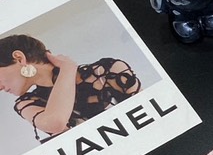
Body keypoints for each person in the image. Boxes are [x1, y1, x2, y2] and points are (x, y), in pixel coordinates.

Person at [0, 34, 141, 142]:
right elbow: (55, 123)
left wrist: (69, 69)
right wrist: (67, 69)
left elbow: (147, 113)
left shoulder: (109, 70)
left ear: (19, 58)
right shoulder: (27, 103)